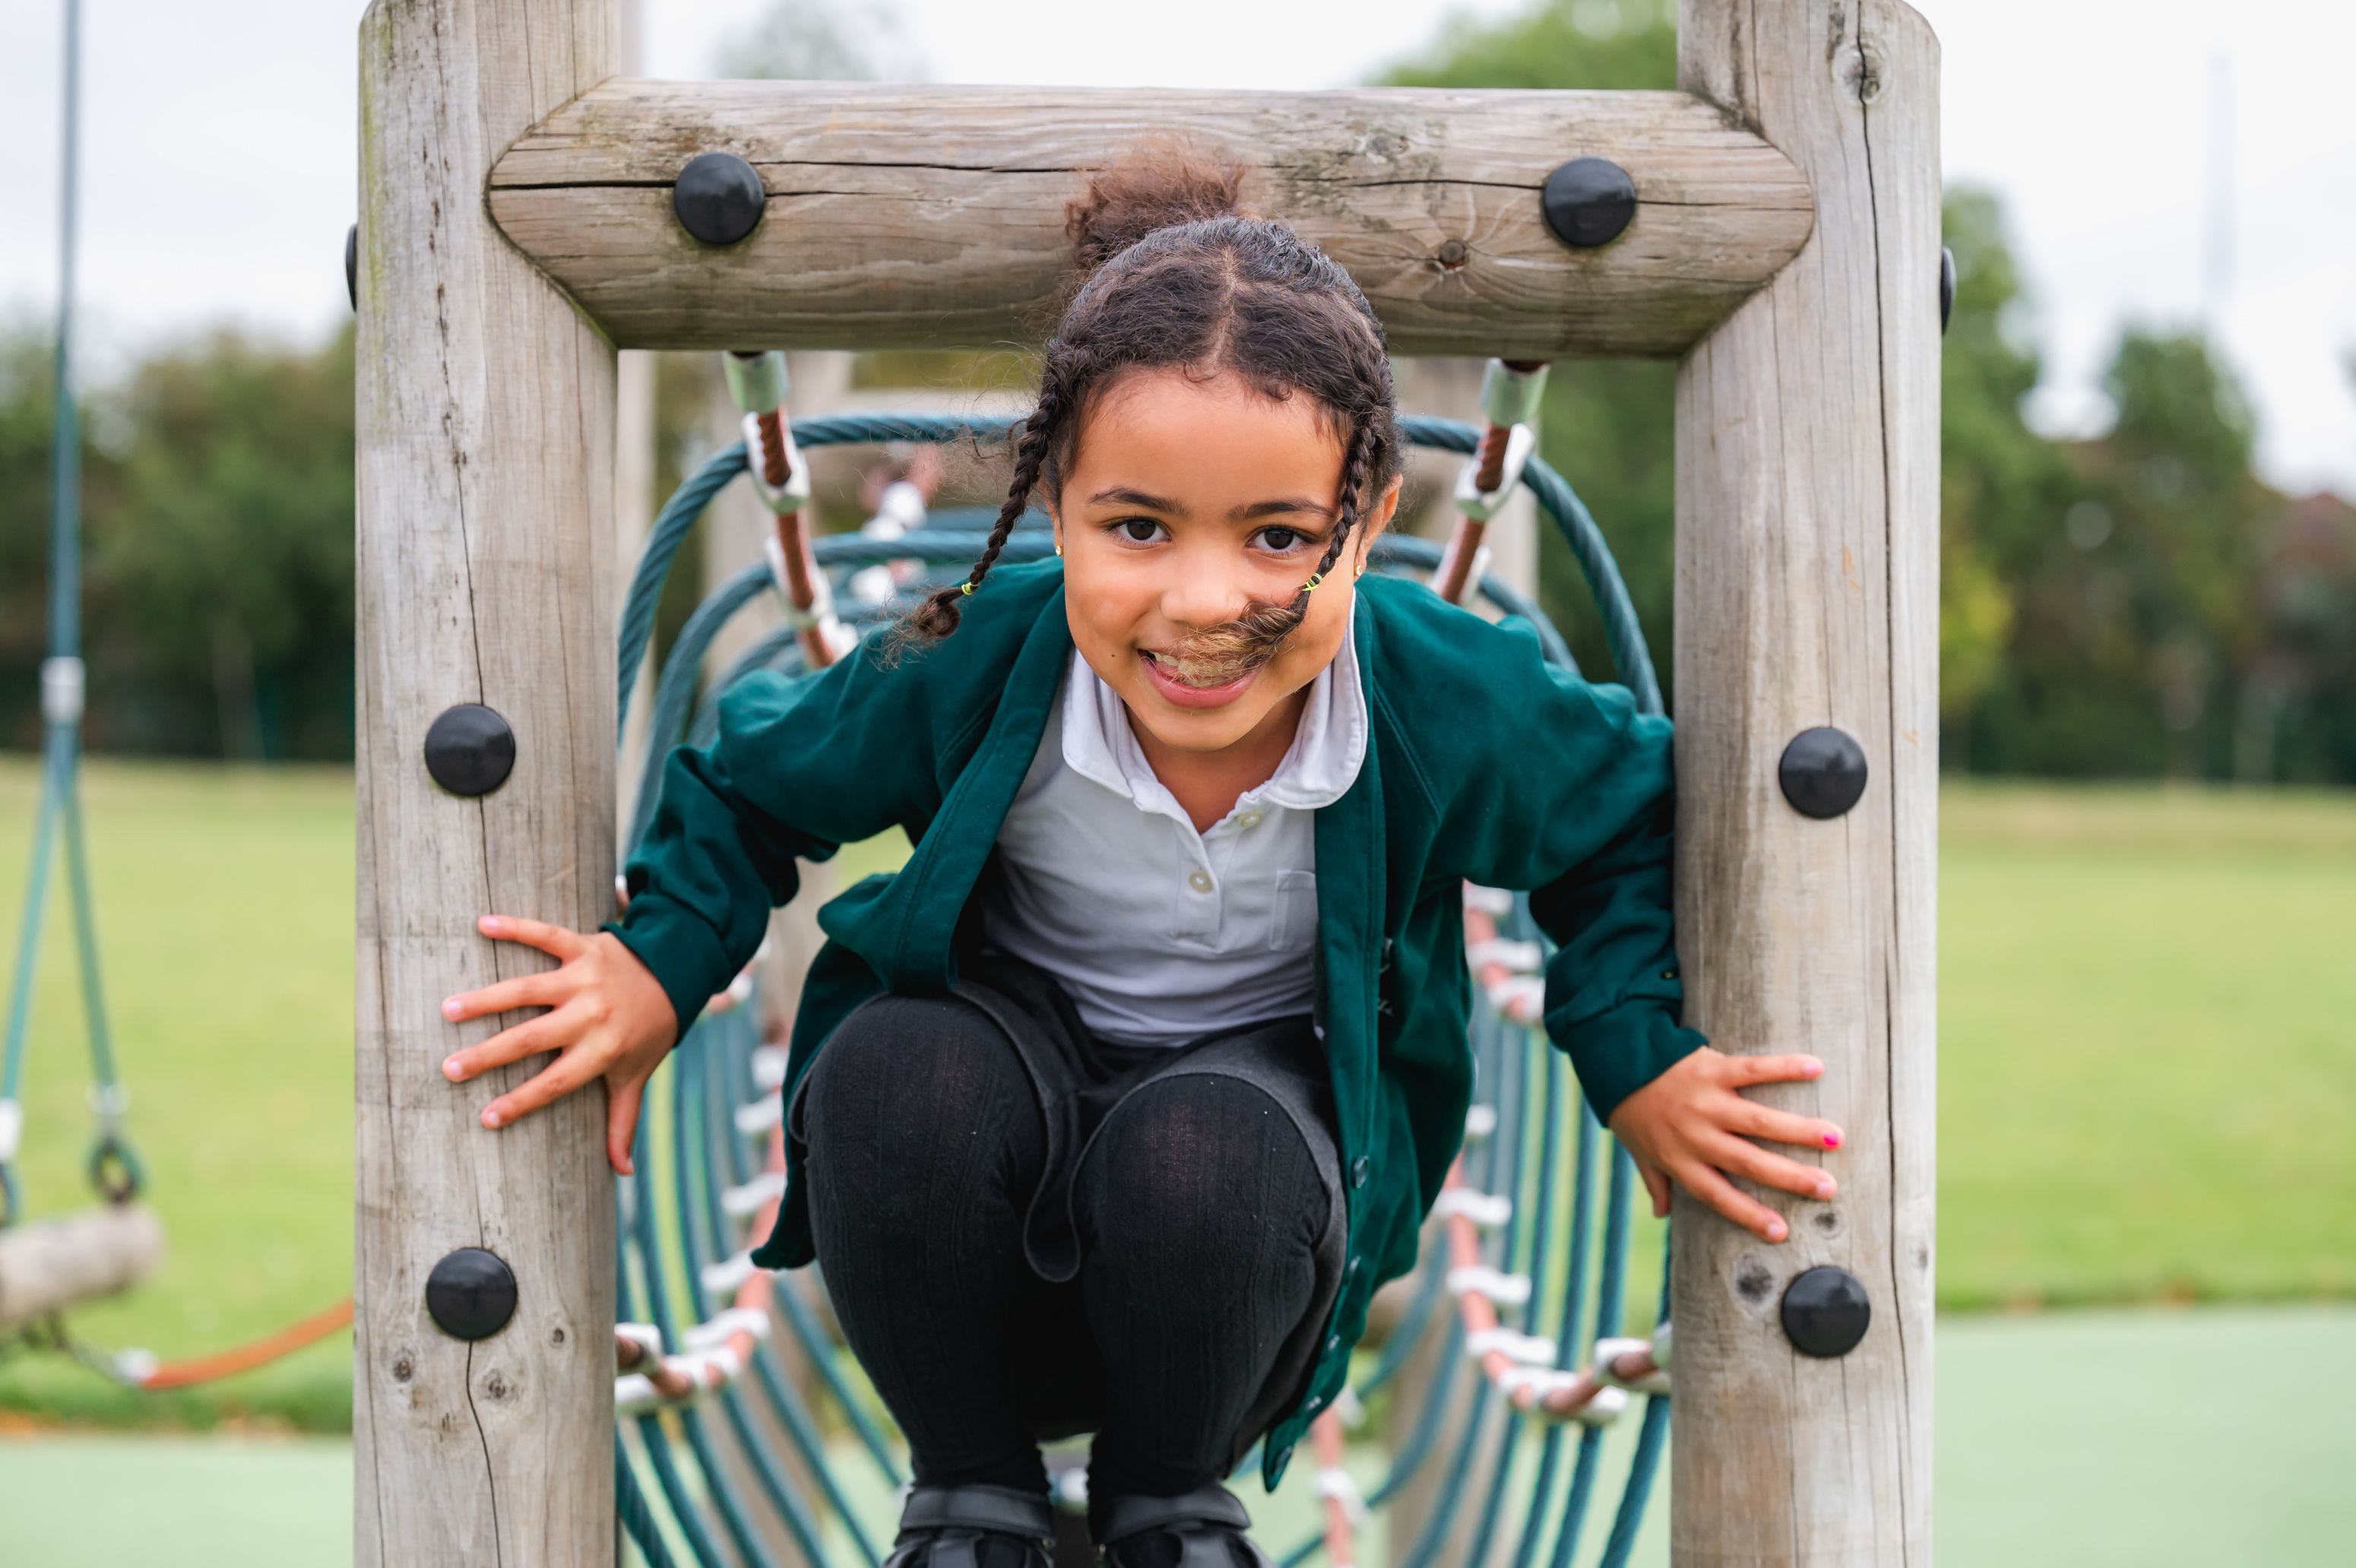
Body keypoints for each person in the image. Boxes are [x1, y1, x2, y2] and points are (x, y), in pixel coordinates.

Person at [436, 157, 1844, 1568]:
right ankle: (971, 1506)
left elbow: (1618, 812)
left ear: (1366, 529)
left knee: (1200, 1152)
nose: (1202, 601)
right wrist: (659, 964)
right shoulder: (991, 649)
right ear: (1056, 507)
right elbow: (753, 774)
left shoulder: (1435, 691)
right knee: (885, 1072)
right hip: (974, 1244)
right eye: (1138, 527)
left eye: (1280, 536)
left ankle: (1167, 1513)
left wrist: (1634, 1050)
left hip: (1233, 1253)